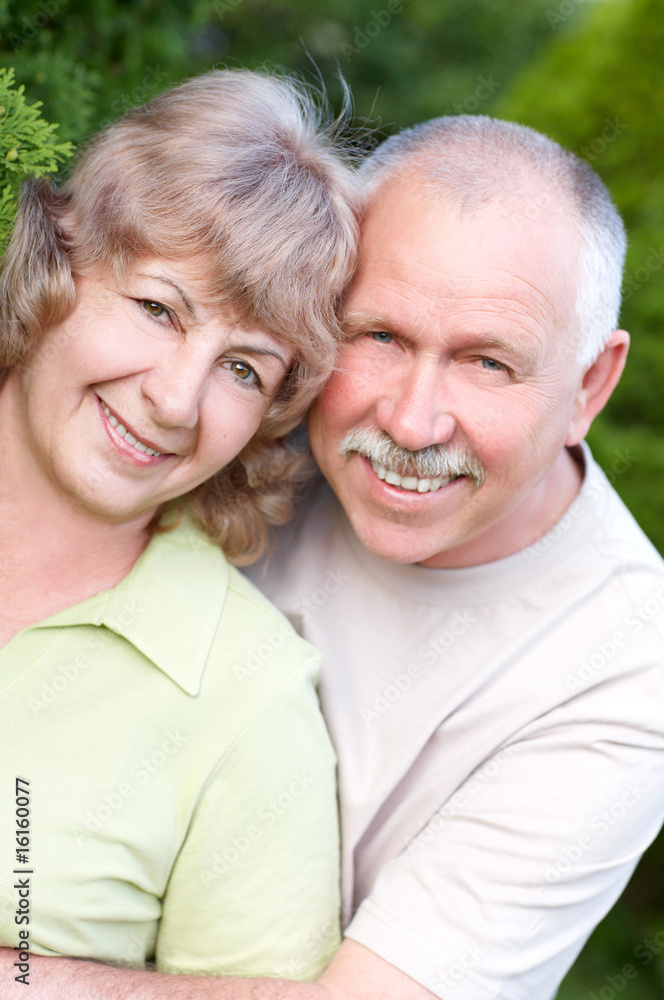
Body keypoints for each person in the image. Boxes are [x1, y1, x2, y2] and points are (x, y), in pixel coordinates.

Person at [3, 117, 664, 1000]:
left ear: (590, 386)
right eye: (380, 336)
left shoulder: (626, 673)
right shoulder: (244, 430)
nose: (411, 423)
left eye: (488, 363)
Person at [0, 68, 359, 981]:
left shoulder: (247, 698)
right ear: (65, 256)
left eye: (244, 369)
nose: (173, 399)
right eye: (159, 309)